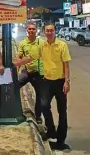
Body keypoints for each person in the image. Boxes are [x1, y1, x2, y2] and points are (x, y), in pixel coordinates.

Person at [14, 23, 71, 151]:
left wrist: (67, 81)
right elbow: (31, 57)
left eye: (51, 30)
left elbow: (66, 64)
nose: (49, 32)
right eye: (47, 31)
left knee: (62, 111)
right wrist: (15, 63)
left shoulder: (62, 45)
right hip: (47, 80)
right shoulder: (42, 45)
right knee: (44, 105)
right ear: (44, 32)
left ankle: (61, 140)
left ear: (55, 31)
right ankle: (51, 130)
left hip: (60, 81)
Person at [17, 23, 44, 124]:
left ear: (36, 30)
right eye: (30, 29)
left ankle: (38, 116)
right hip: (26, 72)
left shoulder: (41, 43)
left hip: (38, 73)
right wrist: (16, 70)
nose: (31, 31)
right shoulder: (23, 43)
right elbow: (19, 58)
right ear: (27, 30)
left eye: (33, 29)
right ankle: (17, 110)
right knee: (14, 87)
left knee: (40, 95)